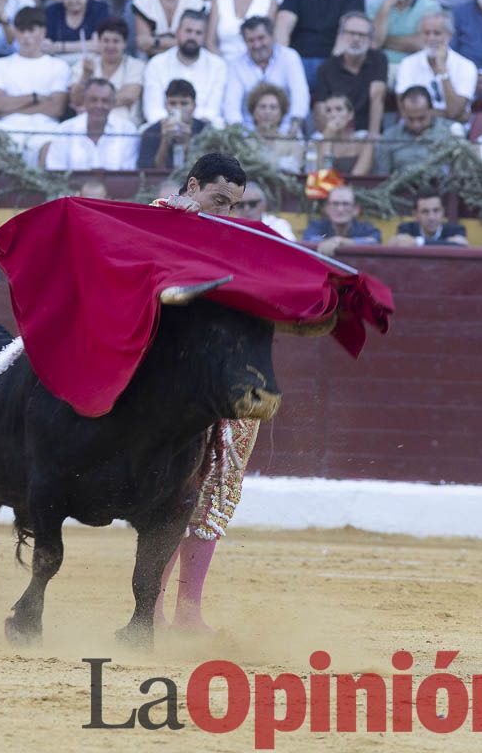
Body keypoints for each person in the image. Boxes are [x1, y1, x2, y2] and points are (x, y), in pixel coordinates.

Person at [151, 152, 253, 633]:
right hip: (175, 381)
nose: (225, 214)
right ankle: (149, 606)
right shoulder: (161, 217)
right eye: (217, 200)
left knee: (216, 492)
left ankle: (189, 612)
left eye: (233, 205)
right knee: (176, 491)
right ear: (192, 187)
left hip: (229, 380)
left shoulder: (238, 238)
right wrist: (174, 214)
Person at [0, 7, 71, 164]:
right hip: (8, 126)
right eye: (21, 30)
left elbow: (56, 108)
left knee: (52, 147)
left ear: (43, 32)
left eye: (31, 30)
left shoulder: (59, 66)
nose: (26, 36)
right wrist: (35, 97)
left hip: (46, 127)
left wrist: (12, 104)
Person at [275, 0, 366, 86]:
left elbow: (346, 34)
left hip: (331, 60)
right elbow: (283, 26)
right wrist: (283, 62)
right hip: (296, 59)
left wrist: (331, 68)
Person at [221, 16, 310, 132]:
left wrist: (294, 125)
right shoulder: (236, 65)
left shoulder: (289, 57)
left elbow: (300, 94)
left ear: (272, 36)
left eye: (261, 38)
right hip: (248, 133)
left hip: (287, 131)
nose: (257, 45)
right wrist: (240, 135)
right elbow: (231, 105)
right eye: (251, 40)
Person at [142, 10, 228, 125]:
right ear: (178, 32)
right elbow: (153, 110)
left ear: (204, 37)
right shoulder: (156, 64)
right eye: (188, 31)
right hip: (164, 127)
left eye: (198, 33)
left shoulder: (218, 66)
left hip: (204, 129)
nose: (192, 37)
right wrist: (174, 124)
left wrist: (190, 125)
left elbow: (212, 111)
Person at [313, 12, 388, 135]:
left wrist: (372, 137)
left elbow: (377, 97)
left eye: (362, 34)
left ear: (370, 39)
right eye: (351, 33)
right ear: (341, 36)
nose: (356, 38)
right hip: (335, 131)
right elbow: (321, 107)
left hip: (365, 131)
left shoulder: (379, 60)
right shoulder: (326, 67)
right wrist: (329, 135)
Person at [395, 10, 476, 121]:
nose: (431, 38)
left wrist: (443, 71)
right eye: (426, 33)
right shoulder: (408, 63)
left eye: (437, 33)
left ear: (450, 35)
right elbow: (405, 109)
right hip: (414, 130)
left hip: (452, 132)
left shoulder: (466, 66)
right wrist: (452, 115)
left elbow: (454, 111)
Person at [43, 79, 140, 170]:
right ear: (84, 102)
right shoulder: (65, 129)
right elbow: (56, 171)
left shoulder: (128, 130)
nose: (99, 105)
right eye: (93, 100)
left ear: (113, 103)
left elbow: (128, 174)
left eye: (105, 101)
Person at [373, 0, 442, 89]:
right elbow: (374, 43)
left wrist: (385, 41)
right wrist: (386, 6)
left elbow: (421, 44)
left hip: (417, 66)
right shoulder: (375, 6)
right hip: (381, 66)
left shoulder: (430, 6)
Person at [68, 17, 144, 126]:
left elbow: (129, 96)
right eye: (106, 41)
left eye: (116, 41)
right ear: (99, 42)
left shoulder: (136, 65)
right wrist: (85, 75)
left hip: (124, 126)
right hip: (87, 126)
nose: (110, 46)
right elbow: (76, 100)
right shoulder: (82, 65)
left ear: (125, 43)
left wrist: (91, 105)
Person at [375, 84, 455, 174]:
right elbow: (382, 176)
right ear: (403, 113)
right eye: (410, 119)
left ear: (432, 111)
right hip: (400, 185)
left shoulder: (450, 132)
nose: (416, 125)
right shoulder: (390, 136)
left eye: (421, 118)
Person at [44, 0, 111, 64]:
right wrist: (86, 45)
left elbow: (99, 45)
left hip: (91, 62)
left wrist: (59, 46)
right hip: (58, 64)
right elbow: (46, 45)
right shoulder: (51, 11)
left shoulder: (99, 9)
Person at [138, 79, 207, 168]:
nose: (178, 108)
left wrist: (187, 143)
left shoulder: (205, 131)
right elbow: (149, 172)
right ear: (166, 106)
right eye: (173, 103)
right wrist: (165, 141)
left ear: (194, 106)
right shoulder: (151, 132)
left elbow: (207, 171)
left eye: (184, 103)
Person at [302, 185, 381, 256]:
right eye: (335, 204)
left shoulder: (365, 228)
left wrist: (341, 241)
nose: (340, 209)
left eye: (346, 204)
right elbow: (308, 239)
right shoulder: (316, 226)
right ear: (327, 208)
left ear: (356, 210)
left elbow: (375, 241)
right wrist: (331, 242)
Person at [248, 82, 306, 173]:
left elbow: (295, 168)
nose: (267, 112)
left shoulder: (292, 144)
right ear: (253, 112)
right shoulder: (244, 143)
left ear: (282, 113)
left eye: (273, 107)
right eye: (262, 107)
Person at [312, 94, 373, 175]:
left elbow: (358, 177)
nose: (333, 115)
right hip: (327, 186)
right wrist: (327, 140)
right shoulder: (317, 143)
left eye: (339, 109)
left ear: (350, 115)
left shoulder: (365, 144)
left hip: (355, 187)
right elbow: (323, 174)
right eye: (328, 110)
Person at [389, 189, 468, 246]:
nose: (431, 217)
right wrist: (446, 243)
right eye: (425, 212)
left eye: (436, 210)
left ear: (443, 212)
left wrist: (418, 242)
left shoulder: (456, 230)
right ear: (415, 215)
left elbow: (461, 243)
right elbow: (396, 242)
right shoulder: (406, 228)